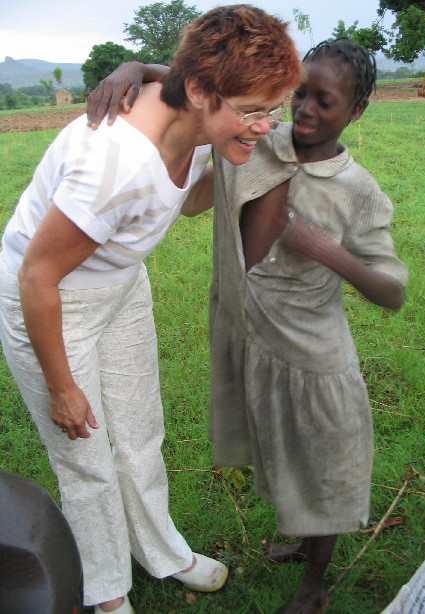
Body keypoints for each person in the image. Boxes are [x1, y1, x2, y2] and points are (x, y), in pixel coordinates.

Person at [86, 38, 408, 614]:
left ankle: (313, 587)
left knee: (323, 468)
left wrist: (325, 249)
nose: (305, 110)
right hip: (253, 342)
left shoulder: (356, 192)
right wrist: (137, 68)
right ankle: (300, 538)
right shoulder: (253, 142)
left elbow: (393, 290)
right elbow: (206, 90)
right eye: (299, 94)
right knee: (282, 454)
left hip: (315, 359)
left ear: (356, 110)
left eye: (324, 102)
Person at [0, 6, 301, 614]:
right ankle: (106, 588)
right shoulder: (113, 163)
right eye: (252, 110)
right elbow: (38, 277)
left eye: (274, 109)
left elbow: (184, 202)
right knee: (86, 458)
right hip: (51, 303)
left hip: (120, 286)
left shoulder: (190, 120)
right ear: (199, 91)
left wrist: (255, 152)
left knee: (140, 433)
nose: (265, 124)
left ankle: (162, 551)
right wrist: (62, 388)